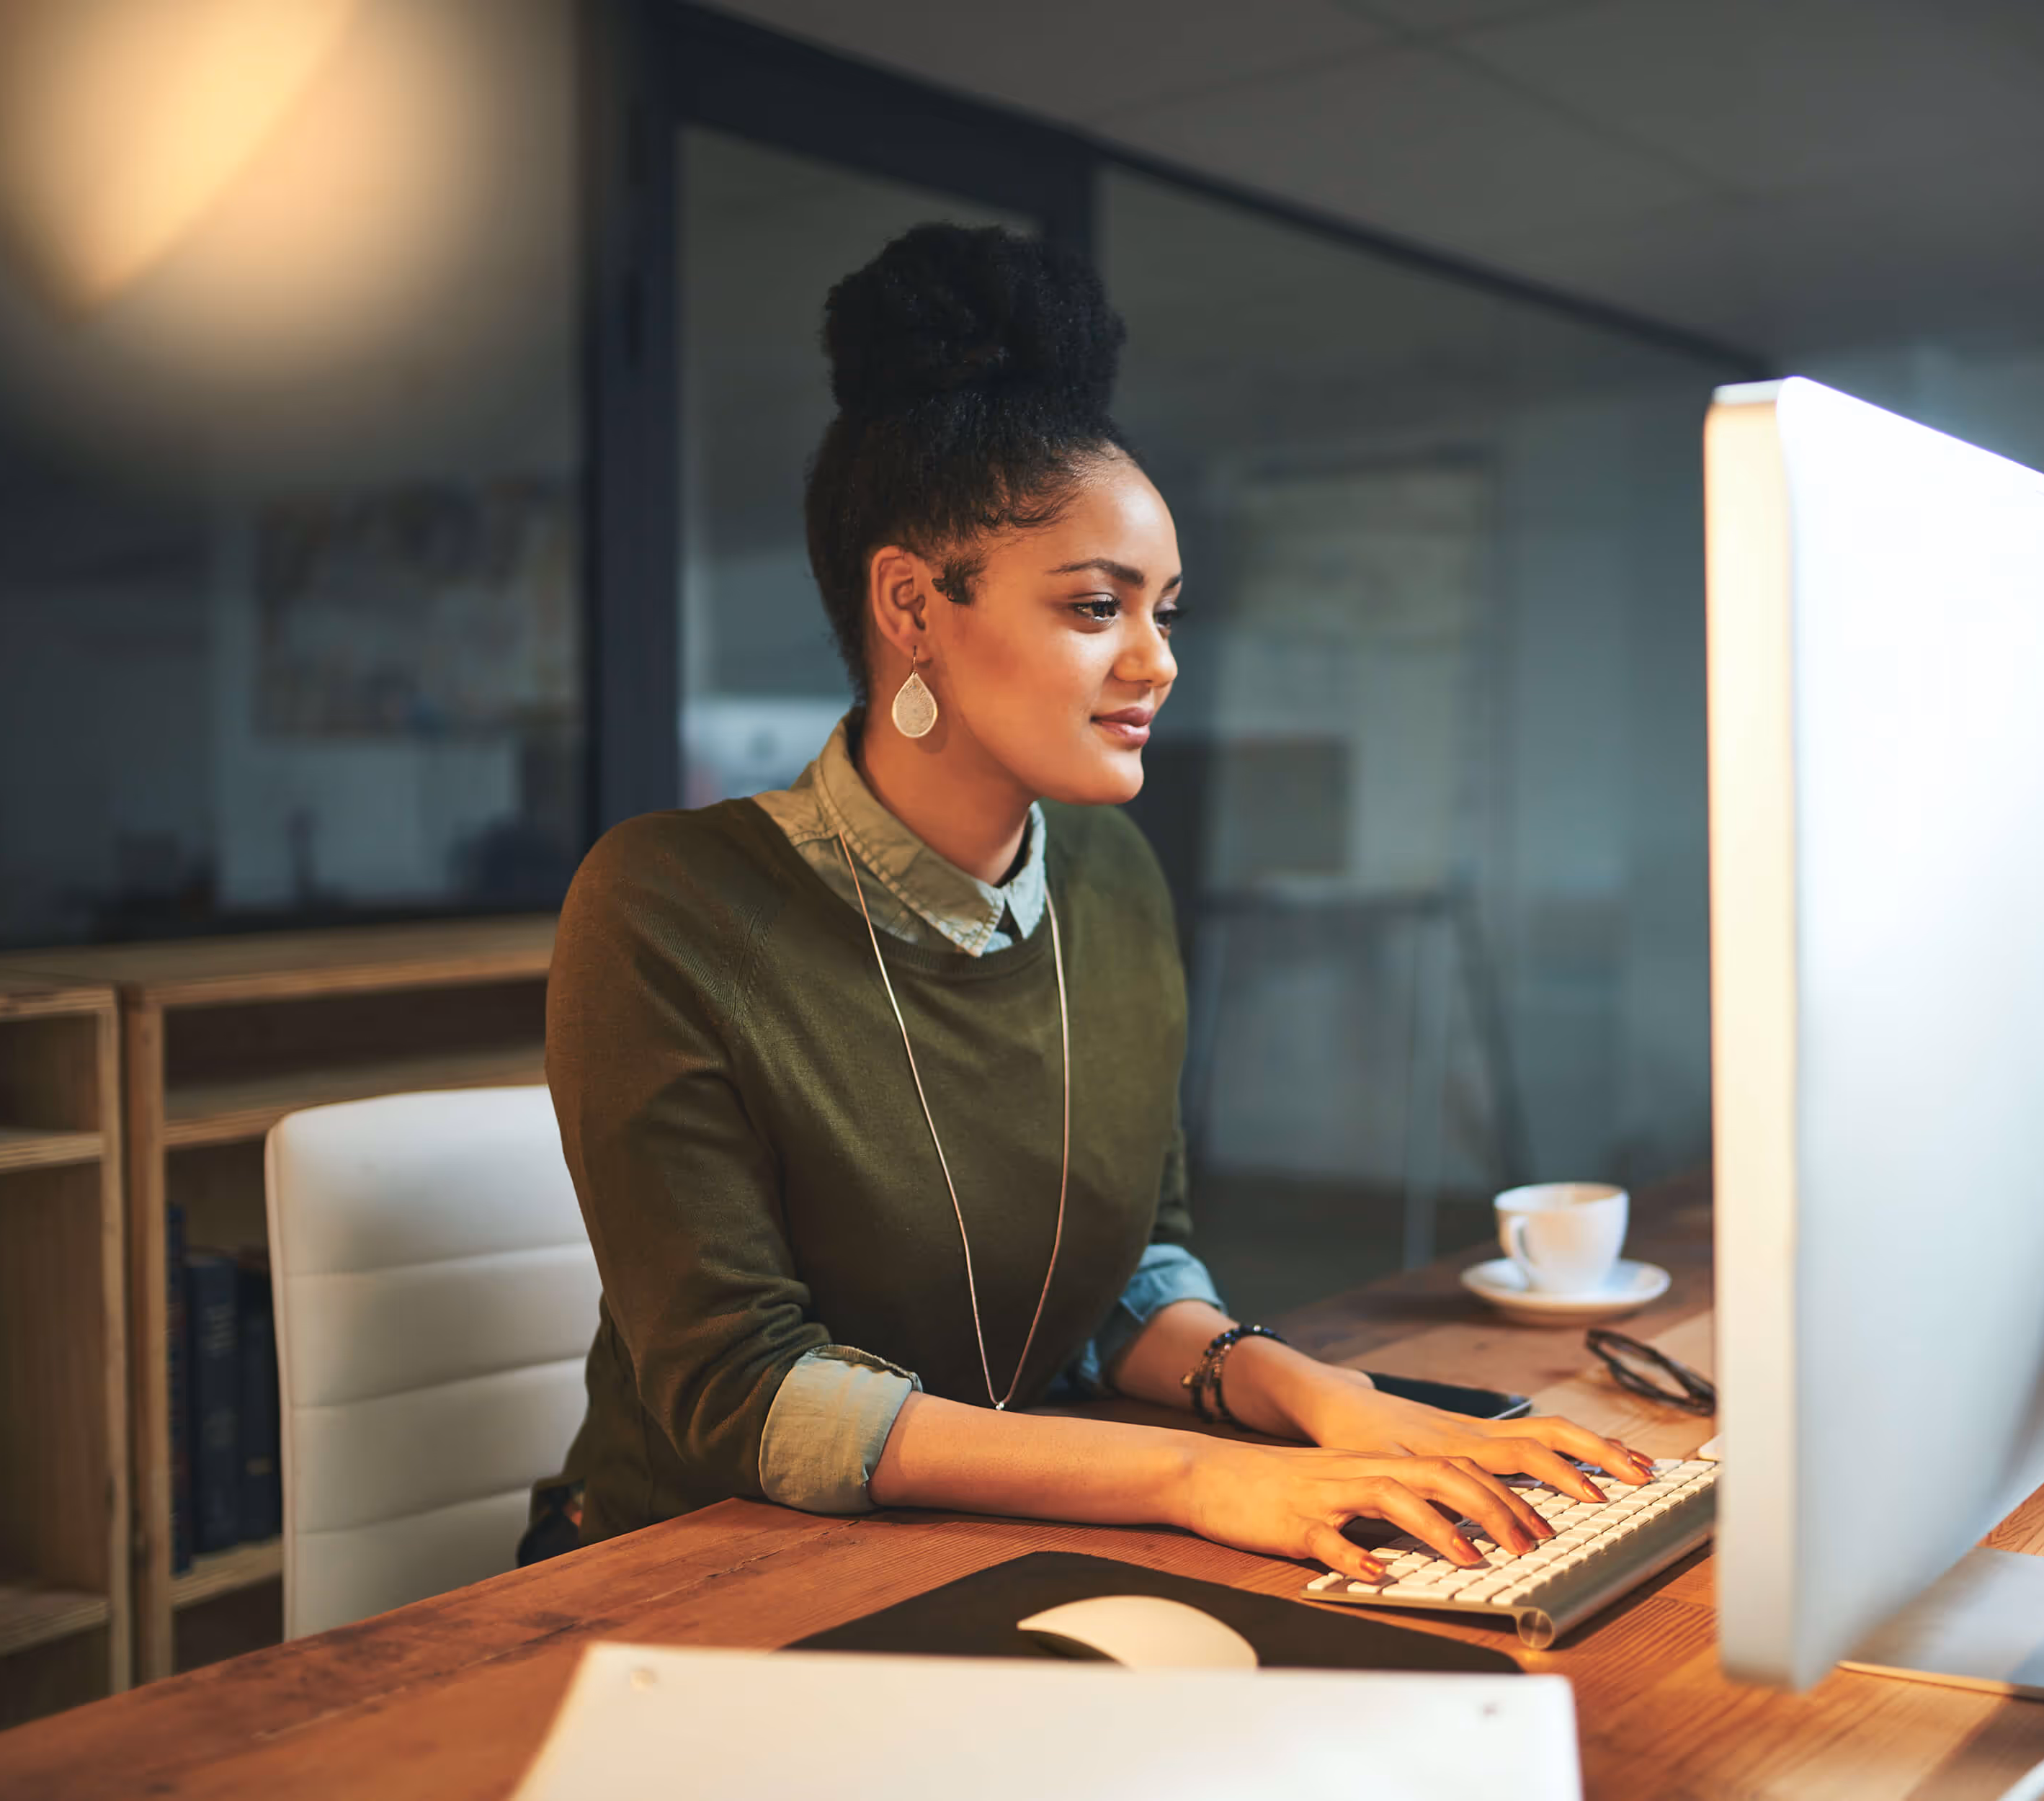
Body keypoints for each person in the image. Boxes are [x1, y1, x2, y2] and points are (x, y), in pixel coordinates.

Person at [535, 223, 1651, 1581]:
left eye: (1166, 611)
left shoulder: (1112, 877)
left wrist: (1321, 1402)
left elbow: (1127, 1278)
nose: (1155, 660)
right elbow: (743, 1396)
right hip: (689, 1575)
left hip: (1001, 1526)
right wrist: (1193, 1476)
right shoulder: (667, 906)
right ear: (912, 604)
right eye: (1092, 607)